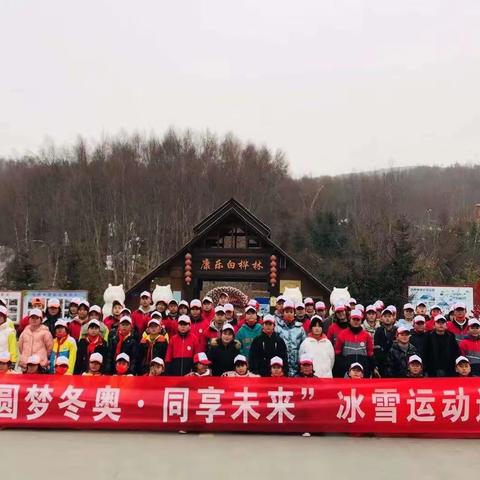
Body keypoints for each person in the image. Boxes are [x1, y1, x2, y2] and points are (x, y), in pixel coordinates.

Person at [335, 309, 376, 378]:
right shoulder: (342, 334)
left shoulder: (366, 335)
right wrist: (342, 369)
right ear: (350, 319)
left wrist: (372, 368)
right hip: (347, 372)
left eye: (358, 319)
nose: (356, 322)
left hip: (362, 372)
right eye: (354, 319)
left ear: (361, 320)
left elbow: (370, 354)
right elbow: (337, 353)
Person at [275, 299, 306, 376]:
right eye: (286, 312)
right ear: (283, 313)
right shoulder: (278, 328)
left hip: (297, 366)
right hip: (281, 366)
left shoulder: (300, 329)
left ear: (294, 313)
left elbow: (304, 348)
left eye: (291, 312)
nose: (289, 314)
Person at [373, 306, 397, 377]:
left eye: (389, 316)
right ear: (381, 318)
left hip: (395, 364)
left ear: (393, 318)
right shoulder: (378, 330)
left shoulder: (397, 331)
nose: (387, 318)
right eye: (385, 316)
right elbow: (376, 349)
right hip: (381, 364)